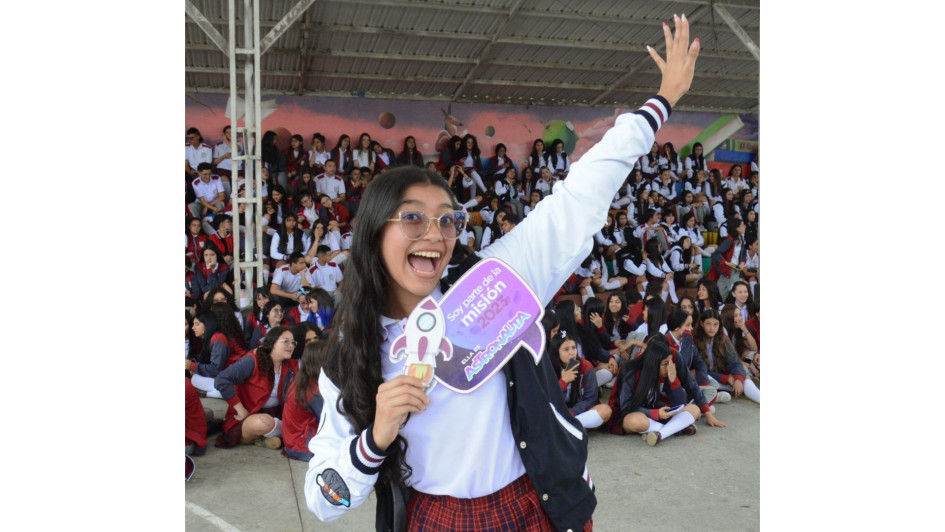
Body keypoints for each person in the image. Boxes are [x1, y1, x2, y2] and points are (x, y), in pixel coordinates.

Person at [304, 17, 698, 531]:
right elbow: (322, 499)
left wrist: (658, 105)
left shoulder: (494, 283)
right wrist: (374, 438)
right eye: (412, 217)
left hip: (535, 505)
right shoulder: (350, 353)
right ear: (375, 232)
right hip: (434, 518)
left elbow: (577, 199)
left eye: (447, 219)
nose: (435, 233)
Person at [214, 327, 301, 449]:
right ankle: (278, 434)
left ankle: (266, 438)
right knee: (263, 423)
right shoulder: (252, 361)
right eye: (285, 341)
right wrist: (240, 410)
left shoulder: (292, 364)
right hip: (250, 414)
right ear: (272, 343)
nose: (290, 346)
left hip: (278, 413)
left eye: (293, 342)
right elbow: (221, 380)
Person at [611, 335, 701, 446]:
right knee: (638, 421)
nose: (669, 367)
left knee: (694, 409)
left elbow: (680, 404)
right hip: (628, 415)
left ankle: (659, 434)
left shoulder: (662, 372)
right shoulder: (629, 371)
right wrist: (654, 413)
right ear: (653, 363)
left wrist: (674, 382)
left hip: (654, 413)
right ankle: (674, 429)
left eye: (670, 362)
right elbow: (625, 407)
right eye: (665, 364)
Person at [694, 309, 760, 404]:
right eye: (708, 324)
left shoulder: (723, 338)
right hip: (707, 377)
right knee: (701, 377)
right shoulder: (695, 339)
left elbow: (735, 362)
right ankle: (713, 396)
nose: (712, 328)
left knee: (743, 378)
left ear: (719, 325)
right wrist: (726, 378)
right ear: (701, 323)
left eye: (715, 324)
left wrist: (738, 379)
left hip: (722, 377)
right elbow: (700, 369)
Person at [554, 331, 612, 429]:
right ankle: (574, 427)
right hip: (558, 412)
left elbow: (590, 399)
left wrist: (572, 413)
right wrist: (563, 382)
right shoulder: (550, 367)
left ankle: (566, 426)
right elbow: (550, 400)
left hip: (577, 413)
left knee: (605, 410)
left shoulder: (586, 366)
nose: (571, 353)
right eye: (566, 349)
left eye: (574, 348)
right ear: (556, 351)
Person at [282, 342, 325, 460]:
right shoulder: (313, 391)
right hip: (302, 446)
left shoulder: (300, 380)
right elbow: (329, 420)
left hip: (293, 441)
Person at [187, 311, 229, 398]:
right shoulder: (208, 338)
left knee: (195, 379)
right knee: (195, 378)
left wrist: (192, 366)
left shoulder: (217, 339)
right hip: (222, 377)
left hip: (231, 379)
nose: (193, 328)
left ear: (207, 324)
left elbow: (215, 369)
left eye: (197, 324)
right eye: (193, 324)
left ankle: (207, 393)